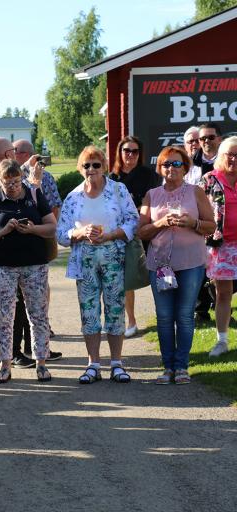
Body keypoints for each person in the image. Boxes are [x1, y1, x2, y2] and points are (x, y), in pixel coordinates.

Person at [57, 145, 139, 384]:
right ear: (80, 168)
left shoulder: (118, 190)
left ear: (104, 166)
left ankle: (117, 363)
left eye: (96, 165)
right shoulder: (73, 197)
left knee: (115, 310)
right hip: (85, 261)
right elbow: (61, 234)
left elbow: (134, 220)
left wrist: (112, 235)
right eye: (86, 165)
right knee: (89, 313)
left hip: (114, 257)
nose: (91, 169)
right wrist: (80, 232)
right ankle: (93, 364)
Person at [0, 159, 57, 383]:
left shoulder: (34, 195)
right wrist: (1, 231)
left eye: (16, 181)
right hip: (2, 266)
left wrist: (33, 229)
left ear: (22, 178)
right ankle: (5, 364)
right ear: (0, 181)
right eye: (7, 182)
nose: (13, 186)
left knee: (38, 314)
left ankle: (41, 363)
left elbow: (52, 228)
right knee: (3, 316)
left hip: (35, 264)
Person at [139, 146, 215, 384]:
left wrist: (193, 223)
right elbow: (140, 230)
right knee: (163, 317)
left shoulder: (196, 192)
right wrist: (160, 223)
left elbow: (211, 226)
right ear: (159, 168)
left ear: (185, 167)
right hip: (160, 264)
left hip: (191, 262)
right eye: (166, 164)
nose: (171, 168)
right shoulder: (151, 195)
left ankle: (182, 366)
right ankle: (168, 367)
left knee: (184, 315)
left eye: (176, 164)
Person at [12, 138, 63, 366]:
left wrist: (50, 232)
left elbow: (54, 205)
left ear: (23, 154)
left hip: (41, 236)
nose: (15, 156)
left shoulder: (46, 177)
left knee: (39, 287)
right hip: (17, 241)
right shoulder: (13, 175)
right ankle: (26, 346)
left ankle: (39, 342)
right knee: (21, 294)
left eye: (16, 152)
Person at [110, 135, 159, 338]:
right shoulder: (111, 178)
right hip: (122, 234)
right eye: (126, 151)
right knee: (125, 279)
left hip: (148, 230)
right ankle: (131, 320)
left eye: (135, 151)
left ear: (140, 154)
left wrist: (135, 211)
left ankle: (163, 316)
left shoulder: (149, 175)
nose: (130, 155)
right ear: (120, 153)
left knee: (158, 275)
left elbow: (153, 201)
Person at [201, 136, 237, 357]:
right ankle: (222, 341)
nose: (233, 159)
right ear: (220, 156)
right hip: (221, 246)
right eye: (229, 154)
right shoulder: (209, 180)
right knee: (224, 293)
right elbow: (197, 207)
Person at [192, 122, 224, 322]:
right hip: (198, 225)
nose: (205, 142)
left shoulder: (229, 162)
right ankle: (200, 312)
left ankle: (222, 307)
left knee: (223, 270)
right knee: (199, 270)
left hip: (225, 225)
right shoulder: (189, 165)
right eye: (202, 138)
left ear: (219, 139)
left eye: (210, 137)